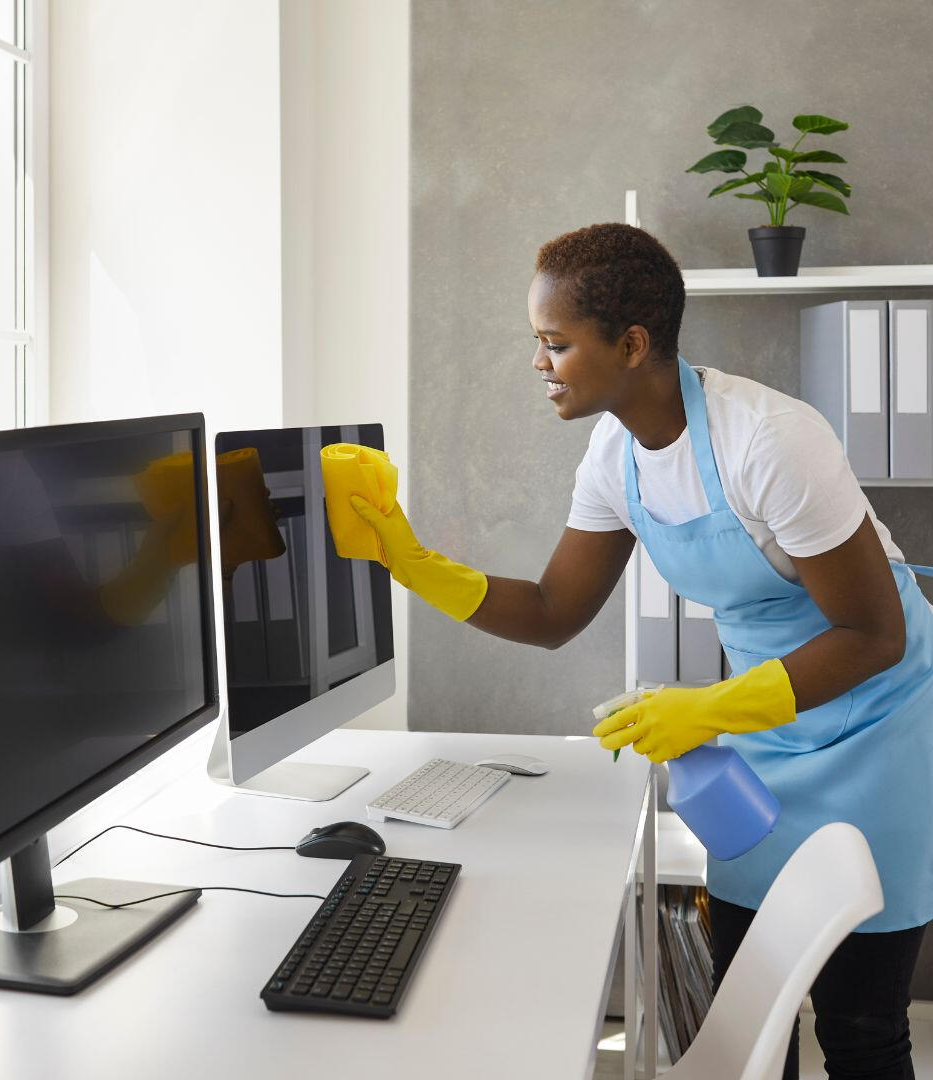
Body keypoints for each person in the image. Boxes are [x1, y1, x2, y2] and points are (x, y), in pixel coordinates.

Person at [337, 223, 933, 1080]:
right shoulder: (616, 454)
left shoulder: (770, 441)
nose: (539, 364)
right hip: (766, 731)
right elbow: (551, 612)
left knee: (861, 1026)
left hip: (878, 726)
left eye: (555, 344)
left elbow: (877, 635)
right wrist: (409, 560)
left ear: (632, 343)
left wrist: (711, 707)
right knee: (749, 1018)